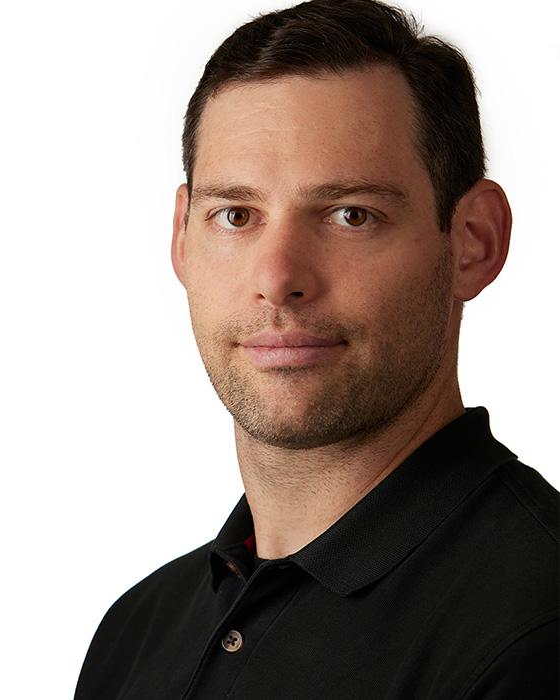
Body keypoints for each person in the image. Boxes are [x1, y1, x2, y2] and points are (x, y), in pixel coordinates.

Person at [74, 0, 559, 697]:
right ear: (181, 238)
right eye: (235, 215)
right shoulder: (138, 631)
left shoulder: (536, 631)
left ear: (474, 241)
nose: (278, 279)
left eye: (350, 214)